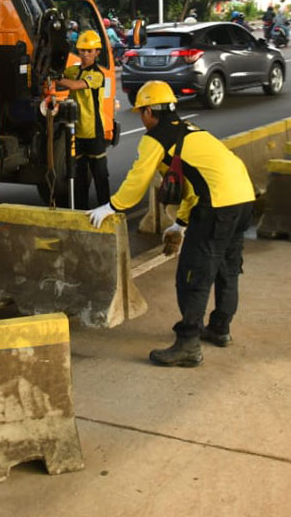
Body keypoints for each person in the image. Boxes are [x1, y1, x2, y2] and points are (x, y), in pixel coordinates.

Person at [87, 81, 256, 367]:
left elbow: (138, 178)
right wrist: (180, 223)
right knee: (228, 269)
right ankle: (220, 328)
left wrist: (113, 206)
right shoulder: (191, 131)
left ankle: (188, 345)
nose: (142, 117)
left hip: (217, 206)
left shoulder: (156, 138)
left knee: (193, 273)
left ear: (150, 111)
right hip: (243, 198)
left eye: (143, 111)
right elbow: (193, 186)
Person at [56, 30, 111, 210]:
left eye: (89, 51)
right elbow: (62, 78)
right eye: (82, 51)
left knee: (100, 175)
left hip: (93, 132)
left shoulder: (97, 75)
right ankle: (81, 211)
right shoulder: (72, 71)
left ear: (97, 53)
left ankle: (105, 210)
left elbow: (74, 85)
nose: (85, 55)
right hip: (76, 132)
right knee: (79, 177)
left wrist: (57, 78)